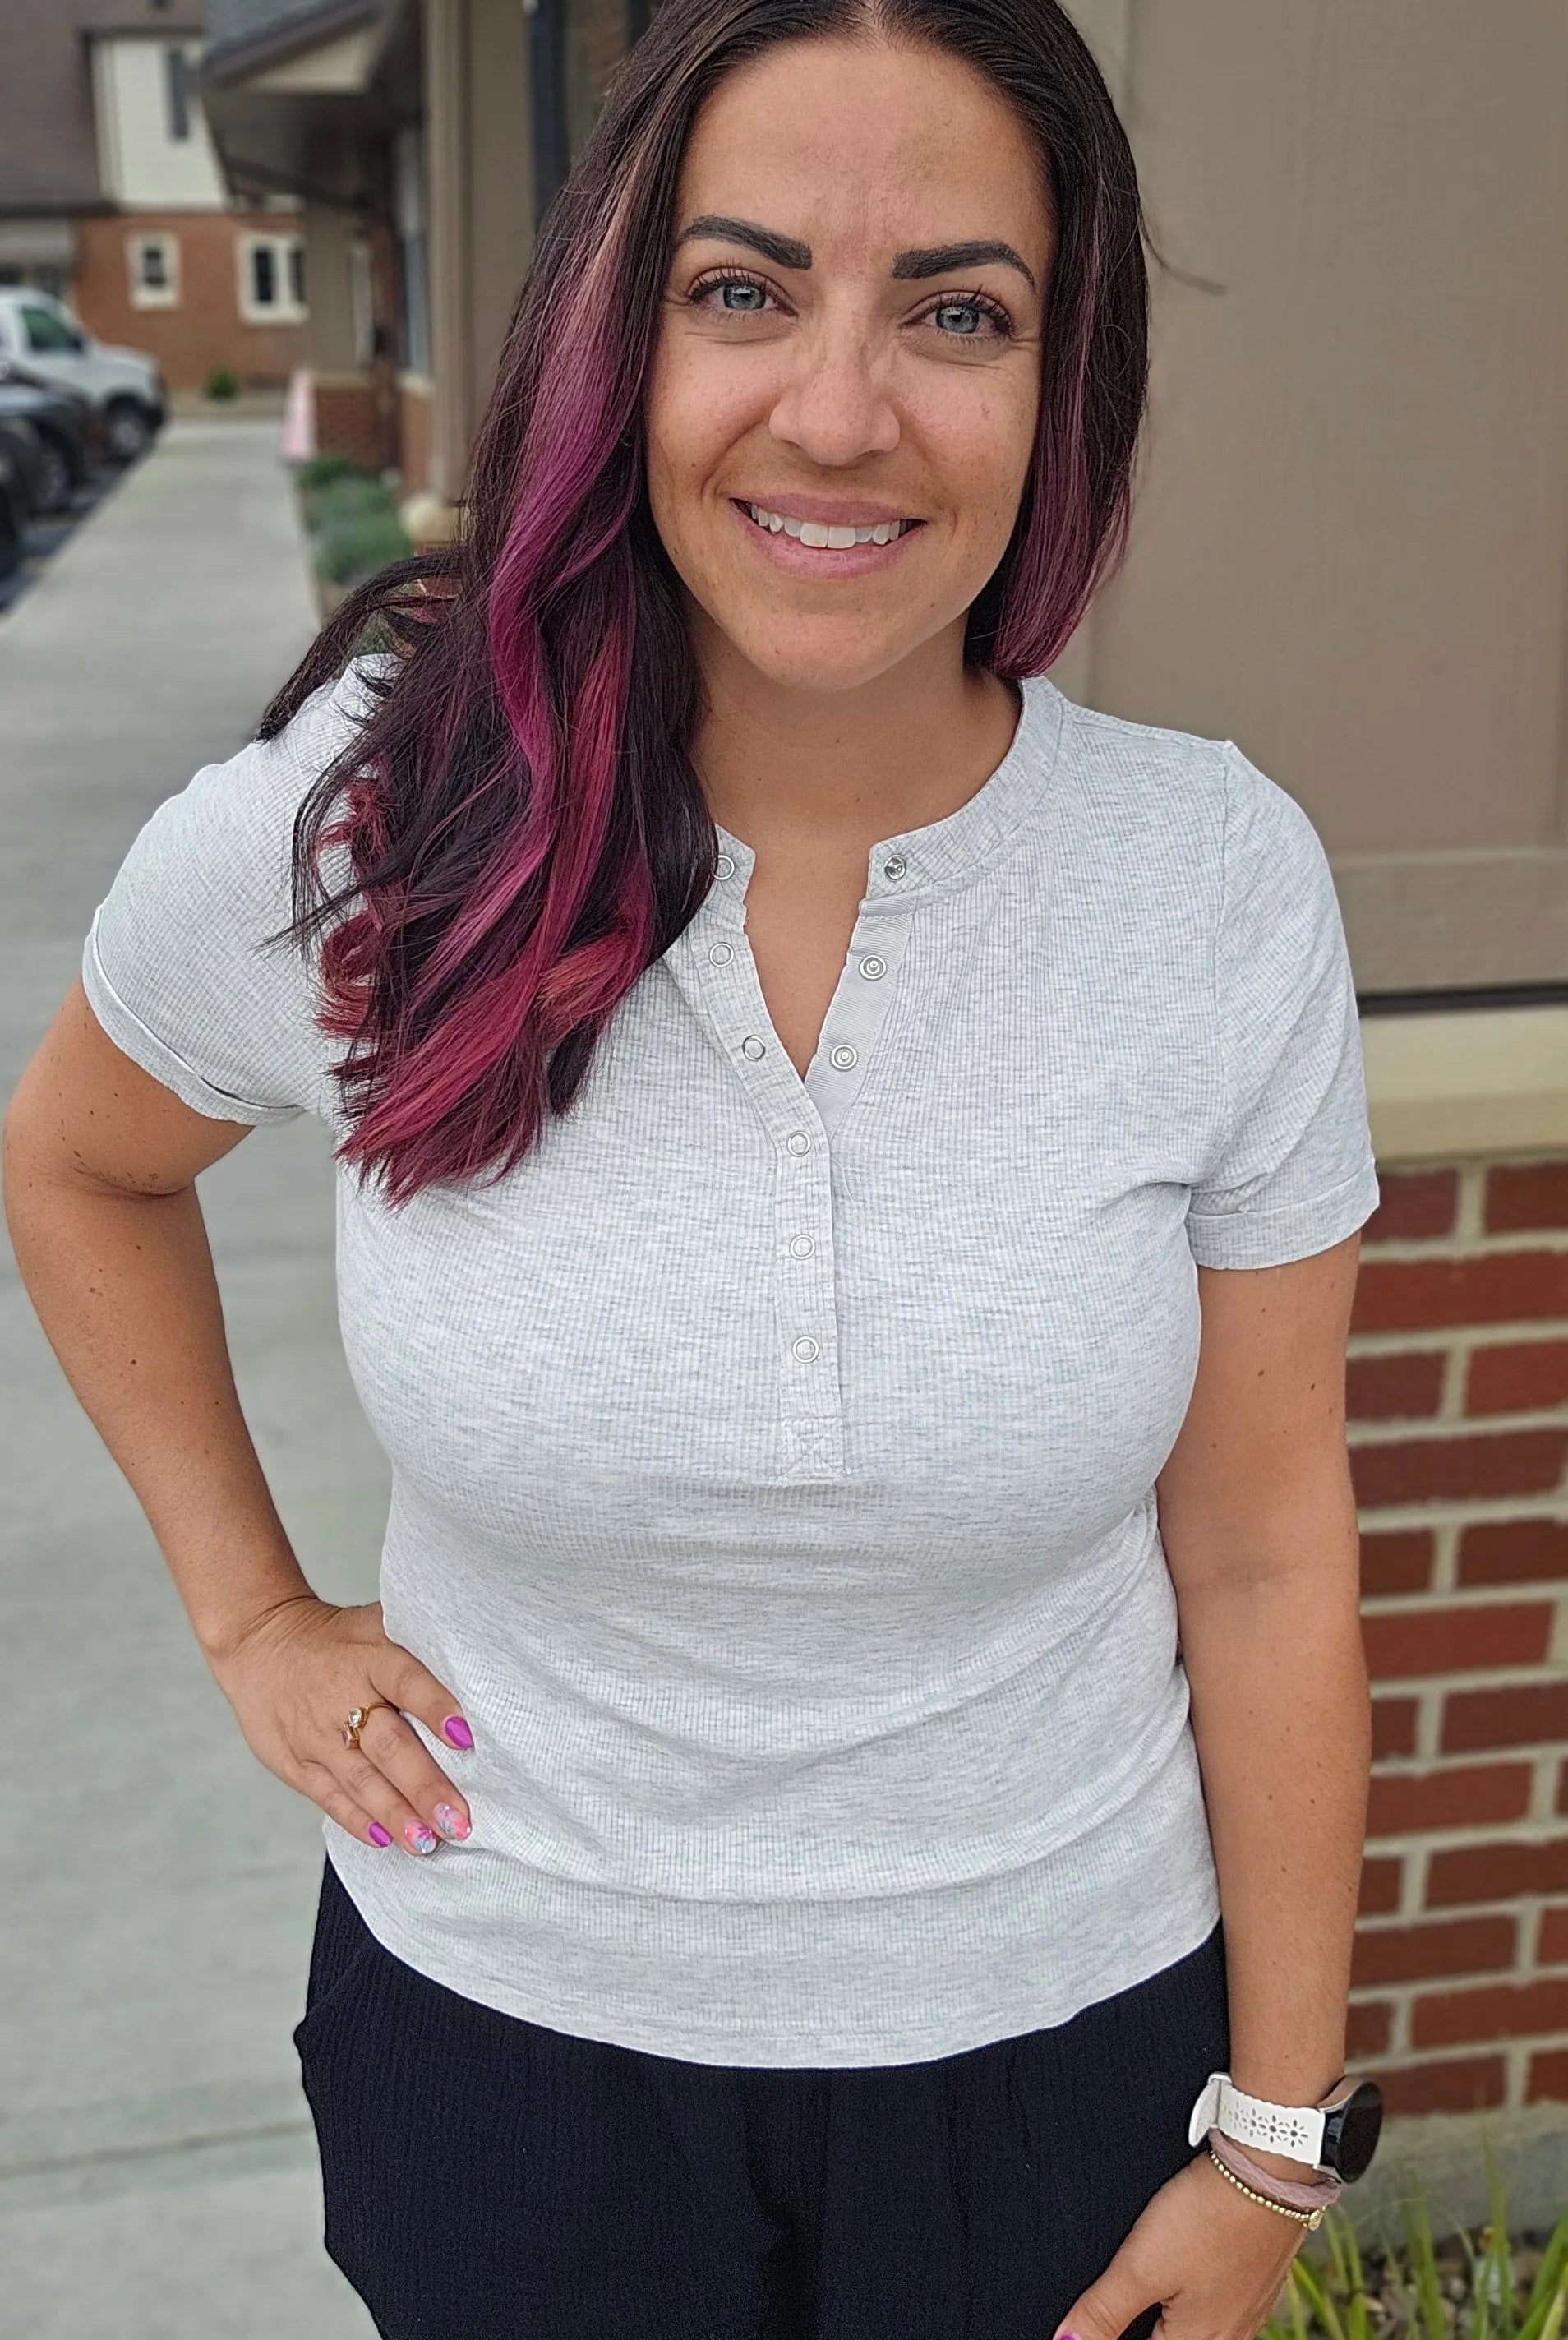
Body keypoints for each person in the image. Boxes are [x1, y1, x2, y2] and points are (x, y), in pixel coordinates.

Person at [2, 2, 1386, 2335]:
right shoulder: (376, 819)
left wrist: (1269, 2147)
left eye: (957, 311)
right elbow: (75, 1164)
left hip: (1058, 2052)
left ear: (1061, 385)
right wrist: (248, 1609)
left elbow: (1259, 1549)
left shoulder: (1207, 886)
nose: (839, 410)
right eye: (739, 290)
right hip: (509, 2043)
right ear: (609, 343)